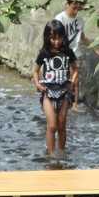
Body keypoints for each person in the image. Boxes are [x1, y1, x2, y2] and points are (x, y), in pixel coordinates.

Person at [33, 19, 78, 156]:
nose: (56, 42)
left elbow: (75, 69)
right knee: (52, 125)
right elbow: (35, 71)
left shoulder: (67, 52)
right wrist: (37, 84)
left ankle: (62, 153)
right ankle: (52, 155)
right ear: (48, 38)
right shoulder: (44, 53)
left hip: (64, 93)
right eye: (53, 39)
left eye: (59, 38)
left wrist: (72, 82)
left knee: (62, 125)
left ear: (63, 37)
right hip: (48, 93)